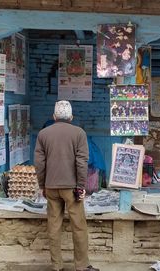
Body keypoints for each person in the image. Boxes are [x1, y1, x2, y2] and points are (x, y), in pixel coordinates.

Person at [34, 100, 99, 271]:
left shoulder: (43, 134)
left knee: (53, 227)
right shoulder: (79, 133)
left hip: (51, 187)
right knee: (78, 226)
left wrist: (43, 185)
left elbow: (39, 163)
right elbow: (82, 162)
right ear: (71, 117)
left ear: (54, 116)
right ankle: (82, 266)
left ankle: (57, 266)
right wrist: (81, 186)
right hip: (72, 188)